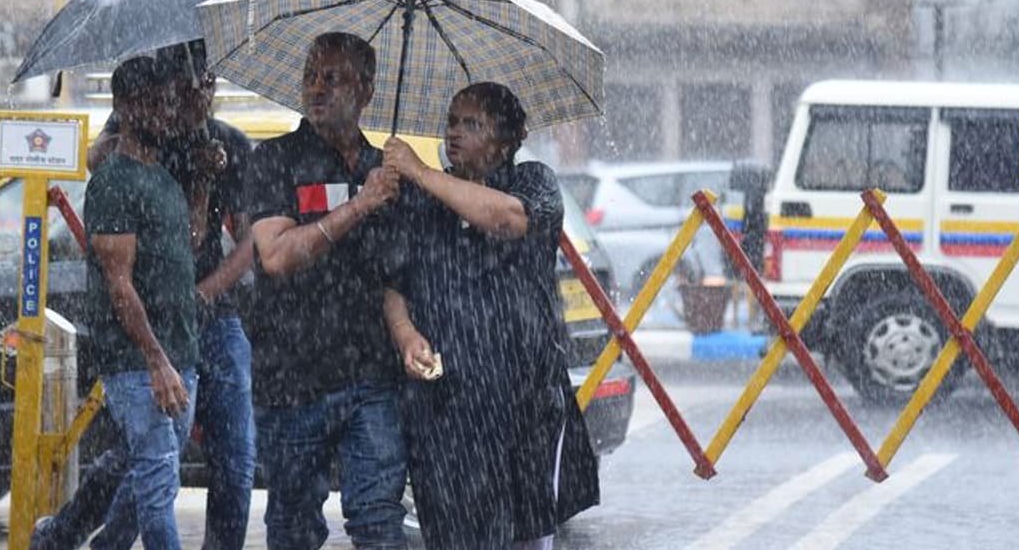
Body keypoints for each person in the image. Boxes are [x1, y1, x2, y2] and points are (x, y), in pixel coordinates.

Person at [34, 43, 256, 550]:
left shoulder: (226, 146)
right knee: (148, 460)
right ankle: (83, 535)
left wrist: (204, 291)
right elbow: (98, 168)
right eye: (185, 85)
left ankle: (89, 538)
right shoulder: (141, 143)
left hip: (210, 319)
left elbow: (243, 242)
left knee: (229, 458)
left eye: (208, 82)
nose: (198, 93)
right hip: (148, 323)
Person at [381, 82, 599, 550]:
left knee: (524, 534)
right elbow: (396, 285)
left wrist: (419, 171)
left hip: (524, 405)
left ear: (505, 141)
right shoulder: (420, 201)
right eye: (453, 122)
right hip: (445, 409)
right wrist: (405, 335)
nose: (455, 133)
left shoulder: (534, 183)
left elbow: (506, 219)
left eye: (472, 124)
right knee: (450, 535)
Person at [246, 31, 407, 550]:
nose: (316, 87)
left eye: (332, 78)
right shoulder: (274, 160)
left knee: (379, 521)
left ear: (366, 91)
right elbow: (275, 256)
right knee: (294, 530)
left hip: (370, 376)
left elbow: (396, 274)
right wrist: (360, 205)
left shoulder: (384, 171)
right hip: (292, 379)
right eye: (310, 75)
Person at [82, 56, 200, 550]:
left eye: (168, 102)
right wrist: (156, 362)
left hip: (180, 355)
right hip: (137, 364)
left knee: (148, 477)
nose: (165, 113)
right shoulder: (113, 182)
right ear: (124, 109)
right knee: (156, 482)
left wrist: (205, 178)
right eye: (152, 104)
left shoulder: (165, 178)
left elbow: (188, 245)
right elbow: (119, 285)